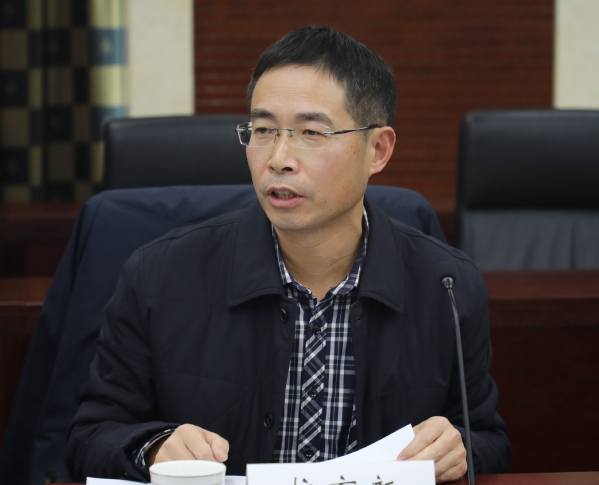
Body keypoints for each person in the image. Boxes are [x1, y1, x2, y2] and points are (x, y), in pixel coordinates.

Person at [65, 25, 510, 483]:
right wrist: (154, 447)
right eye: (263, 130)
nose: (278, 158)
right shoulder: (158, 275)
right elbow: (89, 436)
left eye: (311, 132)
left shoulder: (446, 285)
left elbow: (488, 441)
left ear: (377, 149)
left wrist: (459, 449)